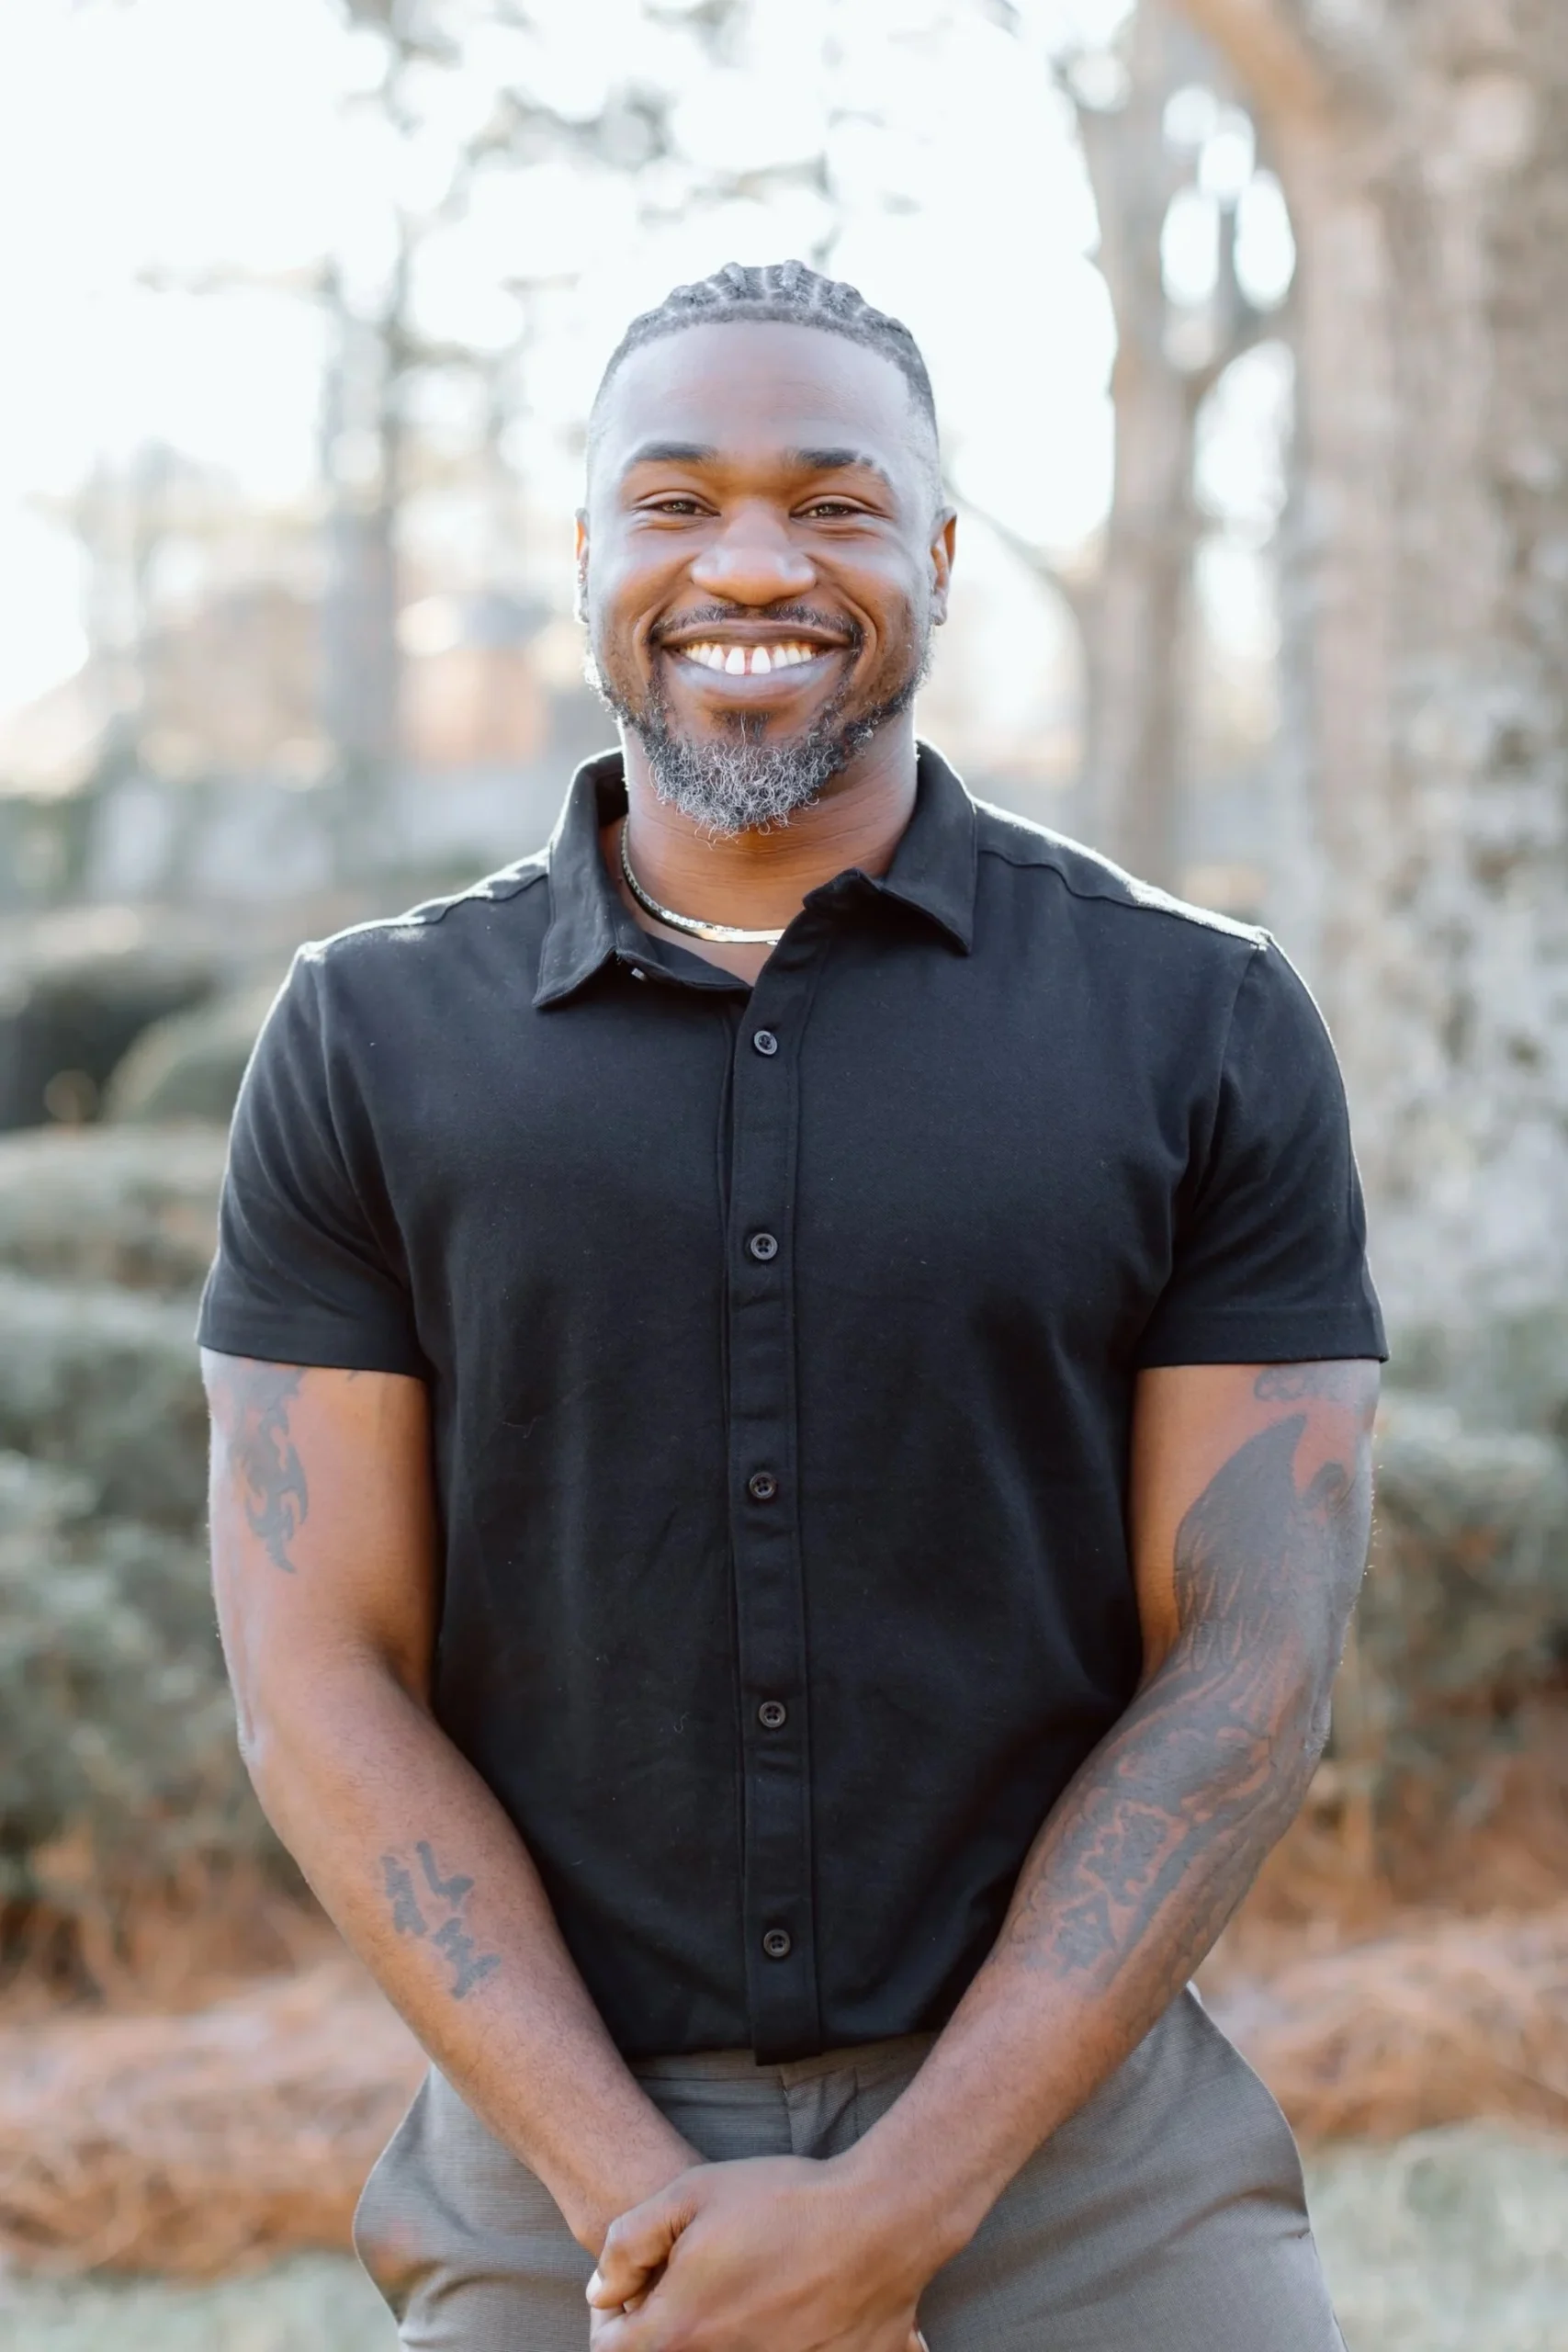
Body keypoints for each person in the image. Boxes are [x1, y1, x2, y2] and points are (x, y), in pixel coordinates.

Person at [199, 259, 1386, 2351]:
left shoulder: (1196, 1020)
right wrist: (642, 2210)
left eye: (835, 505)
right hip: (556, 2143)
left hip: (1076, 2143)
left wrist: (901, 2211)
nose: (750, 562)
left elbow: (1248, 1659)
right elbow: (318, 1677)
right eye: (674, 503)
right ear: (586, 556)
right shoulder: (367, 1040)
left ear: (938, 557)